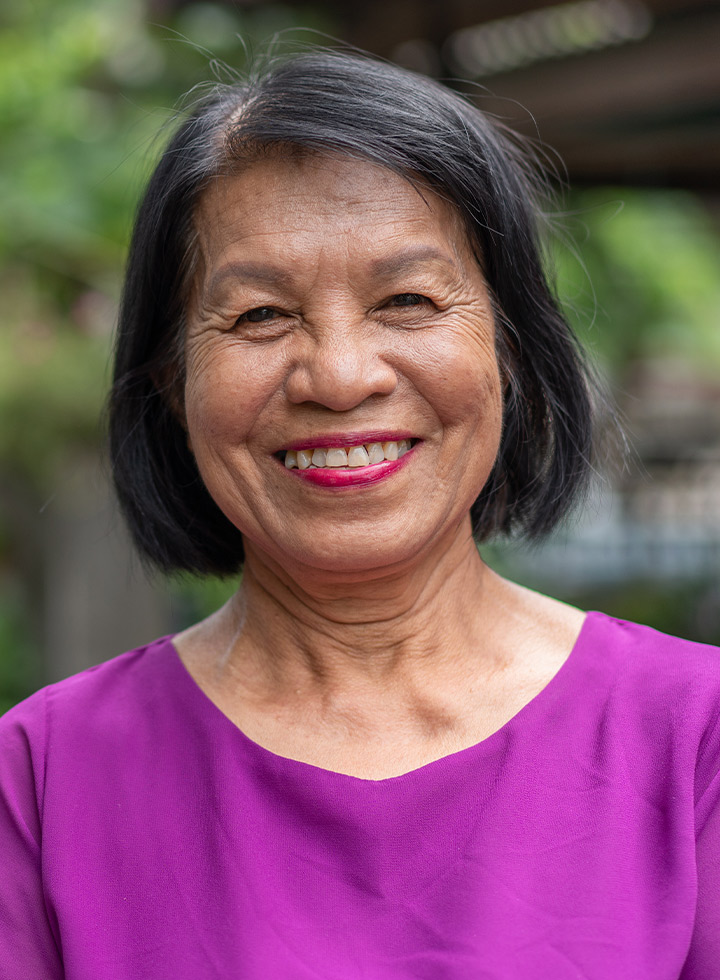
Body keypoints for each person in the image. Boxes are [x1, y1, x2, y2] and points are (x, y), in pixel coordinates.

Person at [1, 49, 718, 980]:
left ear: (511, 350)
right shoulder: (45, 780)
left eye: (408, 301)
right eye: (260, 316)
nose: (340, 377)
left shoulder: (693, 738)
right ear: (170, 382)